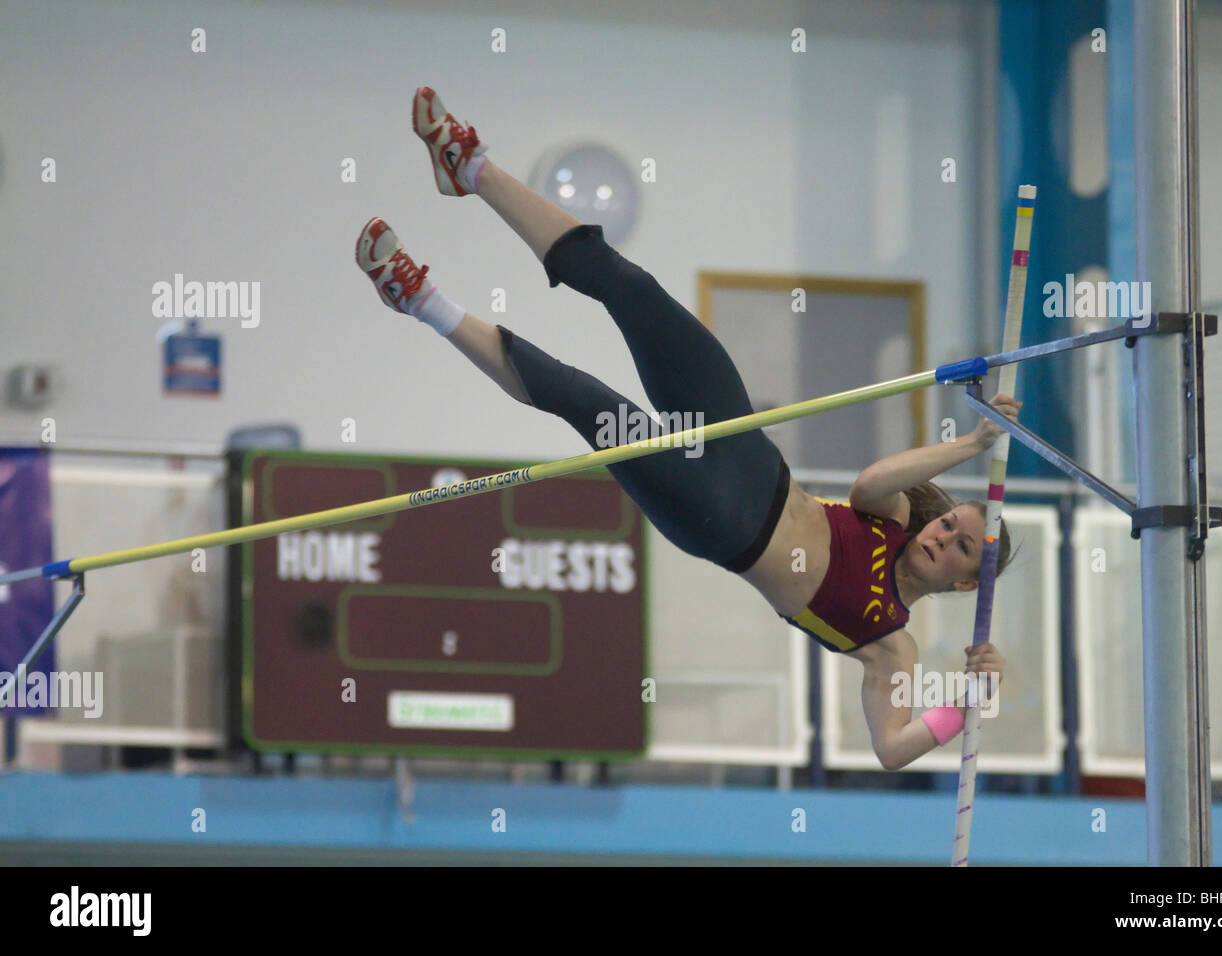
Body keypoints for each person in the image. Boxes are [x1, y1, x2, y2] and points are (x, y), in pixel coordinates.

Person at [357, 87, 1018, 770]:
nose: (943, 537)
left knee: (583, 398)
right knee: (634, 291)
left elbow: (892, 749)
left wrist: (965, 703)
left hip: (719, 523)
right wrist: (970, 445)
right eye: (952, 525)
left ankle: (419, 298)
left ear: (968, 584)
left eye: (962, 546)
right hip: (747, 452)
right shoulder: (895, 514)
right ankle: (471, 169)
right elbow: (874, 479)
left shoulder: (893, 645)